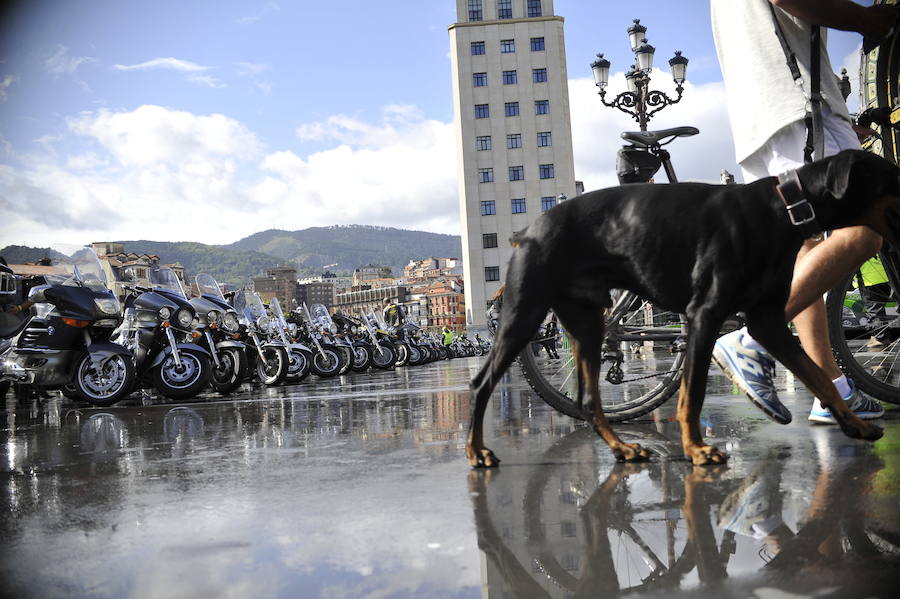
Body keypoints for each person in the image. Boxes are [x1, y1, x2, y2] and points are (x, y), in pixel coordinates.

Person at [710, 0, 895, 425]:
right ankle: (752, 340)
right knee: (869, 228)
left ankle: (830, 390)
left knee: (809, 249)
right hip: (800, 105)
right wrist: (868, 21)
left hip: (766, 117)